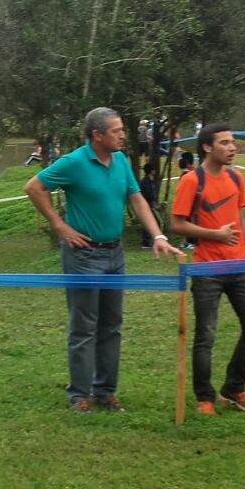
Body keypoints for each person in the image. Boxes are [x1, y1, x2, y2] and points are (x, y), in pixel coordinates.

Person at [24, 107, 181, 413]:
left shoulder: (120, 160)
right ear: (97, 135)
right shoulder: (73, 162)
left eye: (123, 129)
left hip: (115, 254)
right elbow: (33, 187)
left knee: (112, 325)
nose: (123, 135)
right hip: (84, 256)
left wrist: (158, 235)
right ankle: (79, 395)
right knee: (84, 327)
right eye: (116, 131)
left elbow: (136, 198)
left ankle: (105, 392)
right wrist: (60, 226)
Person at [168, 123, 245, 415]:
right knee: (205, 336)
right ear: (207, 148)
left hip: (239, 268)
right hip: (206, 269)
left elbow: (240, 220)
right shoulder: (191, 180)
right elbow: (176, 224)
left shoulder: (235, 178)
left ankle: (234, 390)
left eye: (232, 142)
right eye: (224, 143)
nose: (232, 147)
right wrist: (215, 235)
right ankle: (204, 398)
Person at [137, 164, 159, 247]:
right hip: (147, 205)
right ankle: (146, 242)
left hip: (150, 204)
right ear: (151, 171)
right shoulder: (145, 182)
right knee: (148, 222)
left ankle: (150, 240)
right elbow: (147, 195)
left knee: (154, 221)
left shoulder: (149, 181)